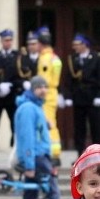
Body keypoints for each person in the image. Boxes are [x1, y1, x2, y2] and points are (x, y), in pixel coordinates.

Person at [14, 75, 61, 199]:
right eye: (39, 87)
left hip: (41, 157)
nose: (43, 90)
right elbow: (26, 138)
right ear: (32, 89)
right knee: (53, 193)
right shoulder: (28, 108)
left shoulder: (36, 107)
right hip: (36, 159)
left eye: (45, 87)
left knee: (30, 197)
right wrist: (29, 165)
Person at [63, 34, 100, 155]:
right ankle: (80, 153)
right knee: (79, 128)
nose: (74, 47)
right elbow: (68, 79)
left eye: (77, 45)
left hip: (93, 96)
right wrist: (68, 96)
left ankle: (99, 154)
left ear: (84, 45)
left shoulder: (97, 57)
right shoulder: (72, 59)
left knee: (96, 127)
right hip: (79, 97)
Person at [0, 29, 20, 154]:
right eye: (6, 40)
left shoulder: (17, 56)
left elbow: (20, 76)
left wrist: (10, 85)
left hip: (12, 95)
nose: (8, 43)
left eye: (10, 40)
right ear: (1, 41)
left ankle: (15, 150)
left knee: (15, 124)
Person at [36, 27, 63, 163]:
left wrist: (38, 92)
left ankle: (54, 153)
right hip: (52, 92)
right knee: (51, 122)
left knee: (49, 123)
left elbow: (43, 80)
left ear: (41, 44)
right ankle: (54, 152)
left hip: (46, 94)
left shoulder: (45, 59)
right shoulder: (55, 57)